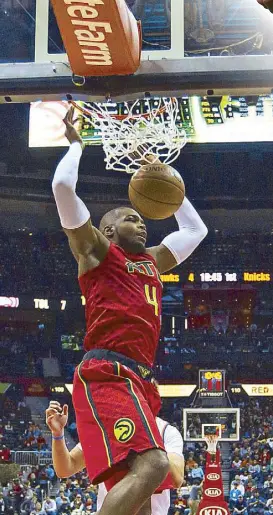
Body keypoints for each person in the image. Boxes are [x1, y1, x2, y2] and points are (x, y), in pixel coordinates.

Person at [52, 107, 207, 515]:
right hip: (107, 371)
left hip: (139, 379)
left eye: (143, 220)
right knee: (155, 464)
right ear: (107, 230)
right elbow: (63, 187)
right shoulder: (97, 253)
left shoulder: (153, 260)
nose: (142, 224)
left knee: (138, 484)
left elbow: (195, 231)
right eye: (131, 218)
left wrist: (170, 187)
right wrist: (75, 145)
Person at [46, 400, 184, 515]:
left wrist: (147, 439)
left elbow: (176, 478)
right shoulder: (107, 429)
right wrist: (58, 434)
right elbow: (65, 468)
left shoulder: (166, 431)